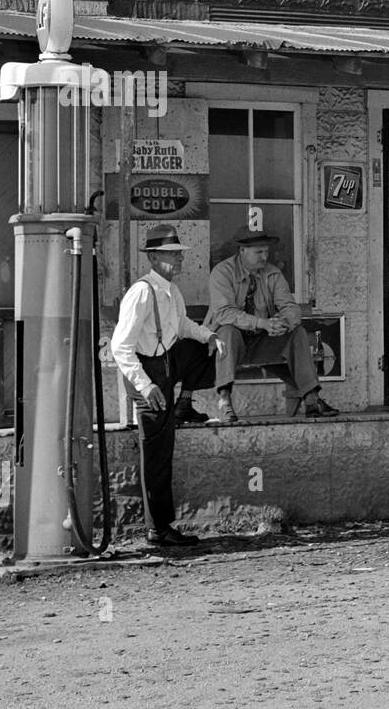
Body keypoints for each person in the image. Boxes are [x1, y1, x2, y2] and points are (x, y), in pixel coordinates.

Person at [110, 223, 224, 548]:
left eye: (179, 255)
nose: (179, 261)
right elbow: (121, 346)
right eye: (171, 255)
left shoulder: (171, 291)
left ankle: (185, 402)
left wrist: (209, 335)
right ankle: (158, 529)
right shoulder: (142, 292)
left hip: (165, 364)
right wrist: (145, 387)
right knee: (157, 453)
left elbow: (183, 325)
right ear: (155, 257)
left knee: (202, 348)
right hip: (146, 372)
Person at [205, 227, 338, 422]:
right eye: (258, 252)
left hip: (260, 341)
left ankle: (312, 399)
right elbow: (224, 313)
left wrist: (283, 323)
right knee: (227, 331)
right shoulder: (222, 272)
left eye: (266, 251)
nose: (264, 257)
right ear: (242, 250)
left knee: (297, 333)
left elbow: (290, 307)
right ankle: (224, 400)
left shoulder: (272, 273)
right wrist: (262, 323)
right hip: (228, 345)